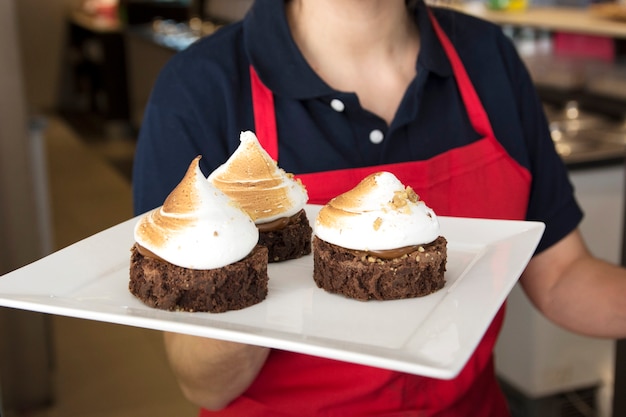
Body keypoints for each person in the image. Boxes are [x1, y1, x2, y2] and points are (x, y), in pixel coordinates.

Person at [132, 0, 626, 415]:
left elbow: (562, 276)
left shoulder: (487, 56)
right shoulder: (200, 88)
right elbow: (205, 384)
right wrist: (249, 260)